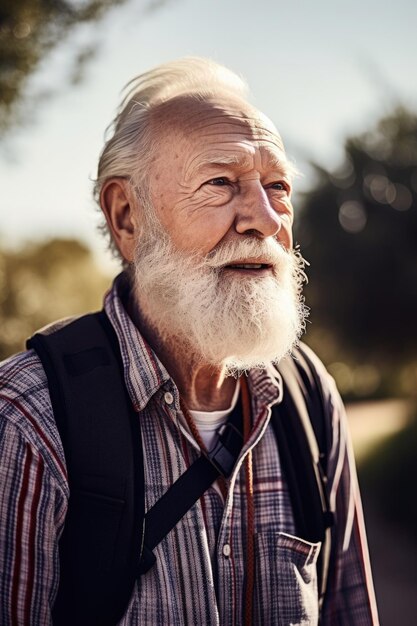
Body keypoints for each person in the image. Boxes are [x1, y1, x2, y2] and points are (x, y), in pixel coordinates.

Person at [0, 57, 379, 625]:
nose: (265, 219)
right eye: (220, 183)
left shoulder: (308, 396)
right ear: (127, 217)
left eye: (277, 187)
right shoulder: (28, 420)